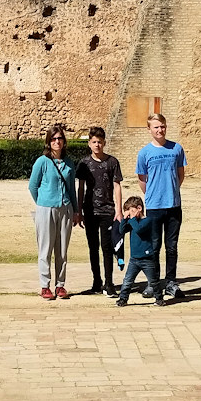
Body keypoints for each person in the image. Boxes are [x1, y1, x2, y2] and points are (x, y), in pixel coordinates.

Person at [135, 112, 186, 300]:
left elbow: (180, 175)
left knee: (171, 247)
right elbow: (142, 179)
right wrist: (152, 195)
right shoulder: (144, 153)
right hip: (154, 207)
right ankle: (153, 283)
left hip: (173, 205)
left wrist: (170, 191)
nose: (160, 130)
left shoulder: (176, 149)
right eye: (156, 127)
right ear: (149, 130)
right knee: (154, 247)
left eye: (162, 126)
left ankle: (171, 282)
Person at [26, 124, 80, 300]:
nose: (57, 142)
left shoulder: (69, 163)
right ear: (49, 142)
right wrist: (43, 202)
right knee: (45, 248)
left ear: (64, 141)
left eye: (60, 138)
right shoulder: (42, 161)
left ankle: (60, 285)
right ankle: (44, 285)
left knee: (62, 249)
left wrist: (76, 210)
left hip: (65, 207)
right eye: (54, 139)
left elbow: (72, 188)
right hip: (46, 208)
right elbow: (33, 186)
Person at [75, 126, 124, 297]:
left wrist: (119, 210)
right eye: (94, 142)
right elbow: (80, 188)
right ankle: (97, 281)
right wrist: (79, 210)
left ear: (104, 143)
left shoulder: (112, 162)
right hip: (90, 210)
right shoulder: (84, 163)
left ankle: (109, 283)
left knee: (107, 247)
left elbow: (117, 186)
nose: (97, 145)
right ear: (89, 143)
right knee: (93, 247)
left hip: (107, 210)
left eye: (100, 142)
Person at [114, 196, 164, 307]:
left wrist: (131, 220)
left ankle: (159, 298)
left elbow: (139, 229)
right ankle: (123, 299)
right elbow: (121, 230)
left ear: (139, 208)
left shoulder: (147, 221)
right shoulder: (132, 223)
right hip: (134, 259)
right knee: (127, 281)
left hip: (147, 259)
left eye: (131, 211)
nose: (130, 214)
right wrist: (125, 219)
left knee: (153, 280)